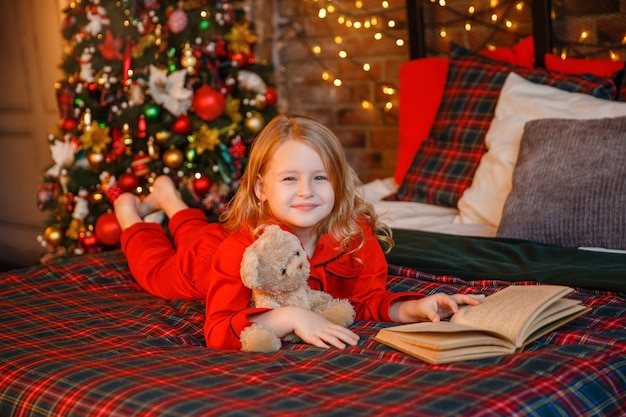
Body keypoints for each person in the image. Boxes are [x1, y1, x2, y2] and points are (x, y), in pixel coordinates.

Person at [114, 114, 484, 351]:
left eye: (320, 177)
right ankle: (130, 212)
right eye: (290, 179)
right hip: (209, 262)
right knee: (161, 270)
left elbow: (369, 298)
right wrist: (290, 317)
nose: (306, 191)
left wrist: (414, 307)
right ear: (261, 188)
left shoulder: (353, 237)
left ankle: (169, 199)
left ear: (338, 183)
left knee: (196, 232)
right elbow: (218, 330)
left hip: (222, 236)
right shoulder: (242, 249)